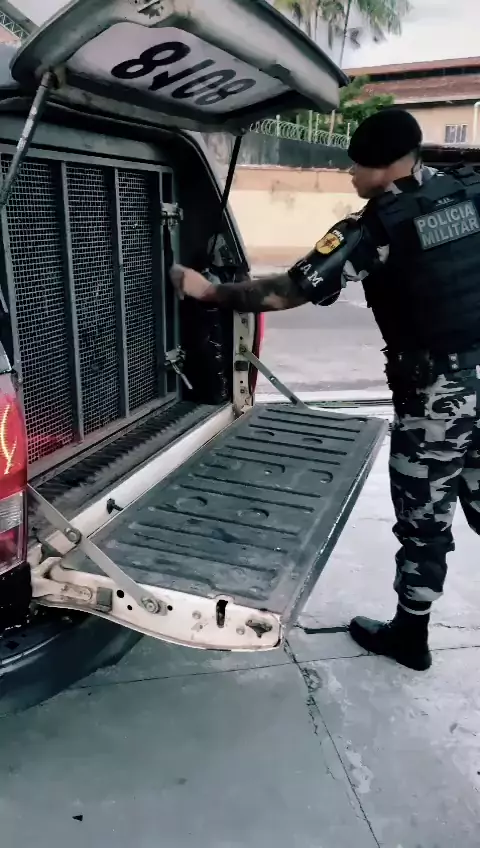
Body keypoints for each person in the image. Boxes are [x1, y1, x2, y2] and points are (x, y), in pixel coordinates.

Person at [170, 108, 480, 672]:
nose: (350, 174)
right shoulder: (468, 190)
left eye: (357, 165)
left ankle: (410, 635)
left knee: (425, 517)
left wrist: (208, 292)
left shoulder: (376, 228)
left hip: (438, 394)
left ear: (385, 166)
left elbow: (289, 289)